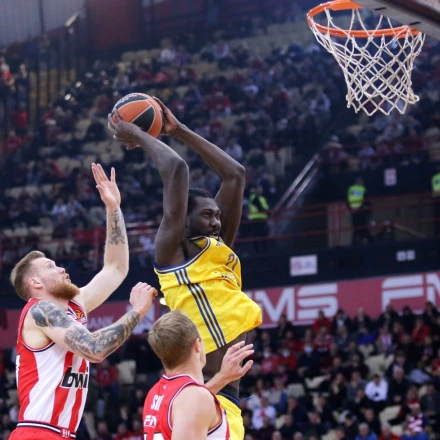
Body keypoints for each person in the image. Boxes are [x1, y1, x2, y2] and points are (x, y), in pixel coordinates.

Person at [109, 100, 262, 439]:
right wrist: (138, 134)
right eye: (207, 215)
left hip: (225, 400)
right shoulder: (173, 252)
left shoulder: (219, 249)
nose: (216, 221)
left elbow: (235, 174)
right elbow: (177, 168)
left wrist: (178, 129)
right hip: (198, 393)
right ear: (185, 220)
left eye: (217, 215)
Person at [9, 164, 158, 440]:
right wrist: (137, 312)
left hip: (61, 433)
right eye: (51, 266)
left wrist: (113, 208)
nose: (62, 268)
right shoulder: (41, 311)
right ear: (36, 283)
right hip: (39, 432)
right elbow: (94, 349)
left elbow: (115, 268)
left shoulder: (73, 307)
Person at [143, 310, 254, 439]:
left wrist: (222, 377)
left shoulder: (155, 393)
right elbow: (192, 404)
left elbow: (186, 405)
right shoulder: (195, 399)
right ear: (197, 345)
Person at [347, 177, 372, 244]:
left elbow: (348, 200)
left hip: (353, 211)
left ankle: (354, 243)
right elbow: (366, 200)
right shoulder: (362, 189)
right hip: (360, 211)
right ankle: (371, 241)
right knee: (362, 228)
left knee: (357, 229)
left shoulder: (350, 189)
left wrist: (350, 209)